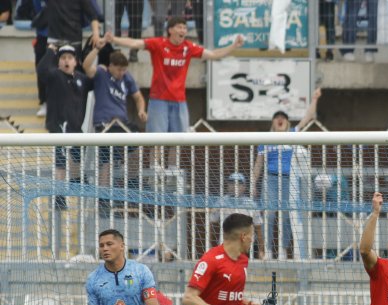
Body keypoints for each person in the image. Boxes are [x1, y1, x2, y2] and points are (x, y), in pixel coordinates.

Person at [108, 18, 244, 136]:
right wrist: (114, 39)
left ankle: (173, 167)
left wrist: (233, 46)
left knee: (178, 139)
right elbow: (135, 43)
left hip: (179, 100)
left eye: (185, 28)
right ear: (170, 30)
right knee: (156, 137)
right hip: (158, 99)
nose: (183, 30)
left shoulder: (188, 48)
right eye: (179, 27)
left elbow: (213, 54)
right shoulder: (159, 44)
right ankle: (155, 166)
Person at [250, 89, 321, 260]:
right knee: (270, 214)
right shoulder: (265, 140)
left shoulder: (293, 134)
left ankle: (282, 249)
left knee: (288, 216)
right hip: (271, 179)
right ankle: (266, 249)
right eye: (277, 117)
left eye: (283, 117)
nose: (280, 119)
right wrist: (253, 184)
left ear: (287, 122)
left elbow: (308, 117)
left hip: (291, 180)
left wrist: (315, 99)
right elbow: (258, 164)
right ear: (273, 122)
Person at [84, 46, 145, 211]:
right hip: (105, 125)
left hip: (123, 125)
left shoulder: (127, 78)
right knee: (106, 160)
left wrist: (141, 110)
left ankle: (132, 186)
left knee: (138, 147)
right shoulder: (101, 74)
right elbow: (86, 67)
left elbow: (138, 97)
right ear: (110, 66)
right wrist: (96, 49)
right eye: (119, 70)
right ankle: (103, 199)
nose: (122, 73)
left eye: (124, 70)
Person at [37, 43, 92, 210]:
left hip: (76, 126)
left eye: (69, 58)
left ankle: (75, 181)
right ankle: (59, 196)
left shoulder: (81, 78)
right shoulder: (54, 75)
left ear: (76, 61)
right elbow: (41, 70)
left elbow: (94, 83)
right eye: (63, 58)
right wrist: (49, 51)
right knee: (61, 163)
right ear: (58, 61)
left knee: (77, 156)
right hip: (59, 126)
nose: (66, 61)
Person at [210, 173, 264, 257]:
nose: (235, 186)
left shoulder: (251, 204)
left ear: (244, 186)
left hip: (247, 248)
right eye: (231, 183)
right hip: (226, 246)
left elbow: (258, 228)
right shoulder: (221, 202)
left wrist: (261, 250)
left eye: (239, 183)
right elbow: (212, 224)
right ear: (227, 185)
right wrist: (211, 245)